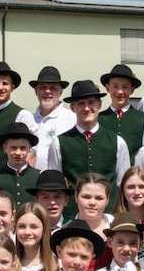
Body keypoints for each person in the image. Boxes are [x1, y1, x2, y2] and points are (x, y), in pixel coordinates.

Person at [47, 80, 129, 215]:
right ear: (73, 107)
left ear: (100, 104)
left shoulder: (118, 142)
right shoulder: (58, 143)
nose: (86, 108)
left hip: (108, 216)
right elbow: (56, 185)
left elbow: (122, 183)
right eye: (81, 104)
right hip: (72, 216)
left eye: (91, 102)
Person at [0, 61, 36, 177]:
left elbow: (32, 152)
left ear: (12, 87)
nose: (0, 87)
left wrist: (21, 180)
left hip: (12, 180)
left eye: (5, 83)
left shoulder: (22, 115)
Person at [98, 63, 144, 162]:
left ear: (132, 90)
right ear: (107, 88)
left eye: (125, 87)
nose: (120, 92)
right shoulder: (99, 119)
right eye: (115, 86)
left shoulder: (143, 119)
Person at [0, 122, 40, 207]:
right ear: (5, 148)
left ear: (29, 148)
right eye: (13, 148)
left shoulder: (39, 176)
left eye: (23, 148)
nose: (18, 152)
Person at [29, 66, 74, 171]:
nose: (47, 91)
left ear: (61, 92)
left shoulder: (72, 119)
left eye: (53, 88)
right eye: (43, 87)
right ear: (36, 91)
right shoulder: (29, 120)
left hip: (61, 183)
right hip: (32, 183)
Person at [27, 168, 70, 233]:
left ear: (66, 200)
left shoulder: (72, 228)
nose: (52, 202)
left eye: (57, 197)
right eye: (46, 197)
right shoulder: (29, 230)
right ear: (36, 200)